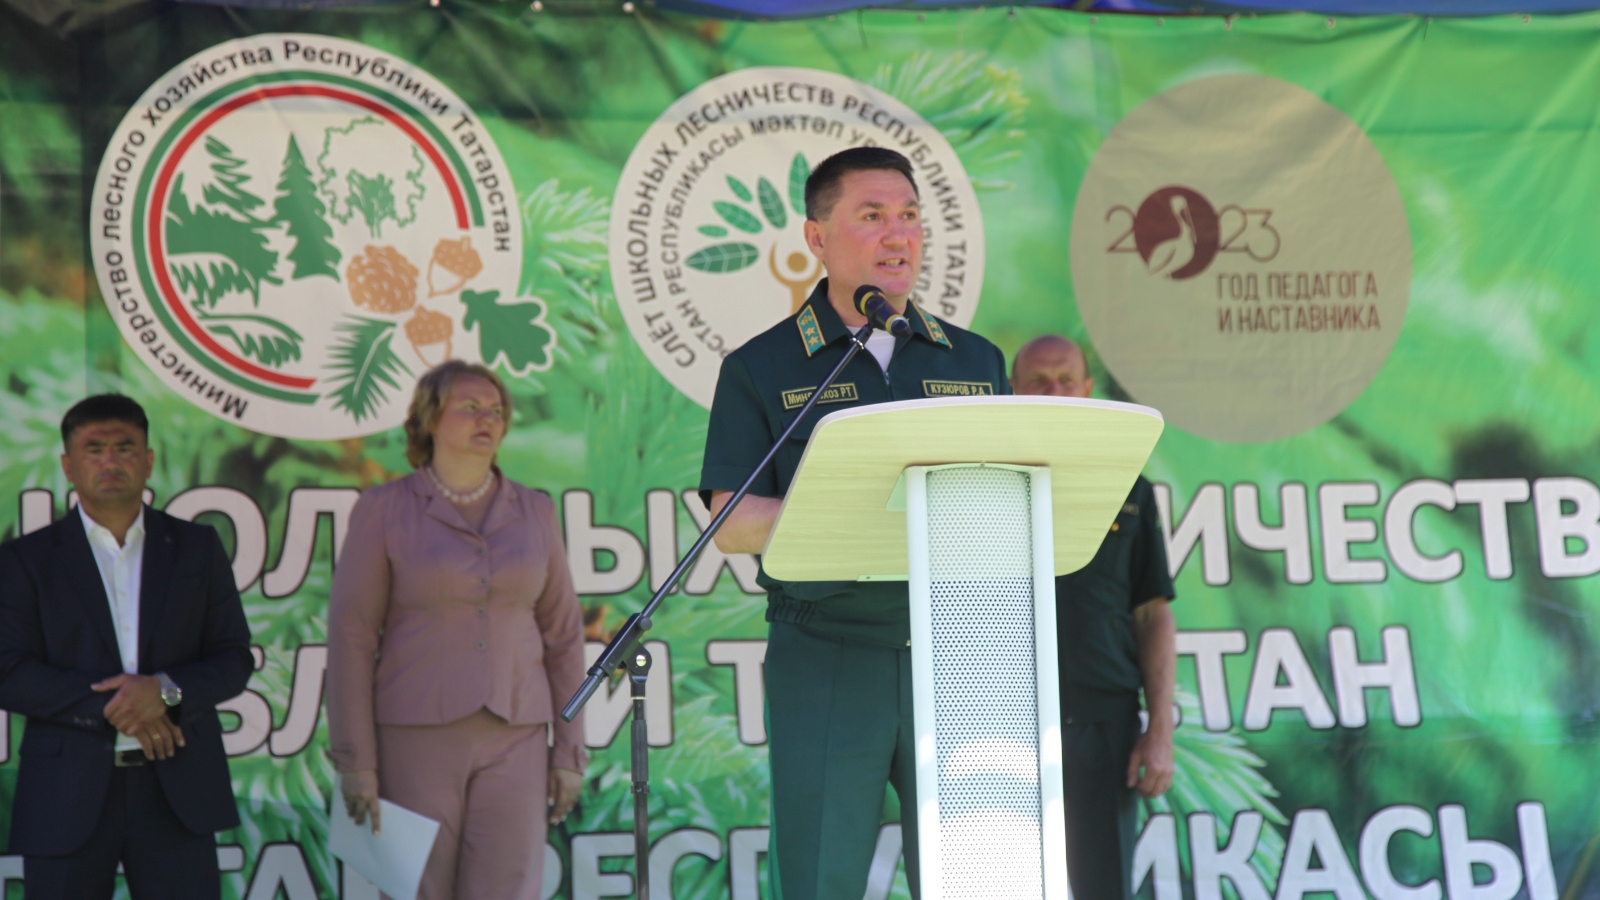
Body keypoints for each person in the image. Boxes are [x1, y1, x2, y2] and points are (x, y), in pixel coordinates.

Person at [698, 146, 1010, 900]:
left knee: (983, 877)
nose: (897, 235)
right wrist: (867, 514)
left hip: (965, 653)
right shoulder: (763, 366)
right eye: (871, 216)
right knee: (820, 876)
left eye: (909, 216)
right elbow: (732, 524)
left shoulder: (975, 361)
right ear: (817, 236)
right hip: (828, 650)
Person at [327, 360, 586, 900]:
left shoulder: (536, 512)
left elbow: (563, 637)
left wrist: (569, 752)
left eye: (496, 410)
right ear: (430, 419)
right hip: (412, 739)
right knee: (417, 892)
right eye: (470, 407)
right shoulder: (382, 510)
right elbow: (352, 639)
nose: (487, 418)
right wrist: (357, 762)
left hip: (517, 738)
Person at [0, 394, 253, 899]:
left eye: (125, 447)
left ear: (149, 460)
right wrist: (118, 706)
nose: (110, 461)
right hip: (65, 793)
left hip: (177, 792)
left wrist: (165, 692)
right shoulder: (25, 559)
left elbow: (234, 657)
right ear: (68, 466)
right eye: (94, 450)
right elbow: (9, 672)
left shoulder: (197, 547)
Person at [1010, 334, 1177, 900]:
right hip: (1003, 727)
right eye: (1037, 381)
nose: (1052, 391)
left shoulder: (1129, 487)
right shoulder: (983, 481)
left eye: (1065, 380)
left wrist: (1160, 730)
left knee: (1102, 886)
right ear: (1011, 390)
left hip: (1105, 725)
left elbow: (1152, 614)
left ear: (1086, 390)